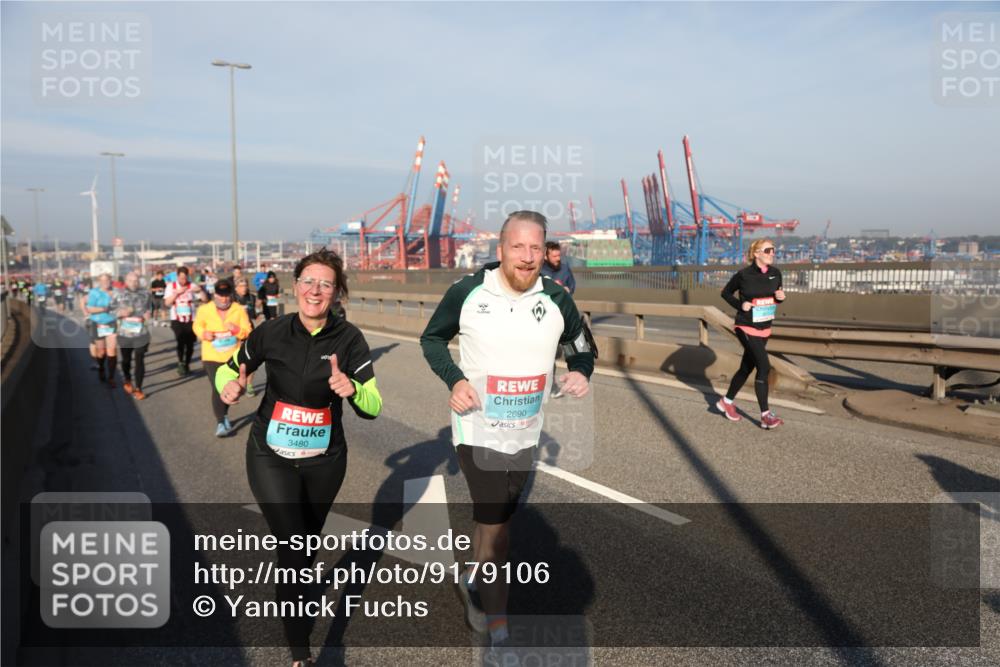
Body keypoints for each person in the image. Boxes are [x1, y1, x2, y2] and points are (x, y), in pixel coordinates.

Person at [419, 211, 595, 655]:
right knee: (499, 532)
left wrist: (580, 370)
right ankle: (498, 633)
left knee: (494, 518)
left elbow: (580, 344)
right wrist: (455, 380)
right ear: (500, 250)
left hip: (525, 432)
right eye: (518, 246)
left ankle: (472, 574)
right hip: (476, 429)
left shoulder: (556, 297)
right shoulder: (468, 292)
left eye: (536, 248)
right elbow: (432, 339)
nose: (528, 256)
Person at [217, 248, 381, 667]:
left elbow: (374, 405)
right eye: (309, 281)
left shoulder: (349, 339)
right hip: (269, 453)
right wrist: (229, 386)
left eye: (326, 284)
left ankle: (296, 592)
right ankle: (300, 652)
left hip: (325, 459)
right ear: (295, 286)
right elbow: (229, 368)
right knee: (292, 545)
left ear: (337, 292)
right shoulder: (271, 332)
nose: (315, 290)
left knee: (306, 545)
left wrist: (353, 390)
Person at [717, 237, 787, 429]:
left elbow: (775, 298)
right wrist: (741, 304)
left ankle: (726, 401)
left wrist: (780, 297)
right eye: (768, 250)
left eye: (773, 250)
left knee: (746, 367)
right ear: (756, 253)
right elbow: (725, 293)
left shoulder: (776, 273)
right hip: (746, 326)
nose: (772, 253)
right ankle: (765, 415)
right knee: (764, 366)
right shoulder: (743, 275)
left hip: (765, 327)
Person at [194, 278, 251, 436]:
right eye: (220, 295)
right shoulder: (205, 309)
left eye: (226, 295)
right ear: (215, 294)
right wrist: (203, 333)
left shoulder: (238, 310)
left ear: (231, 294)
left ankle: (224, 414)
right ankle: (220, 422)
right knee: (217, 387)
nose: (224, 298)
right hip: (211, 356)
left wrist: (236, 330)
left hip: (232, 357)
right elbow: (197, 325)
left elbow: (248, 331)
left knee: (228, 386)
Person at [113, 271, 153, 400]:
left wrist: (148, 314)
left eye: (136, 281)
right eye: (131, 281)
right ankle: (127, 379)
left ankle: (139, 388)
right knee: (126, 360)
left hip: (141, 333)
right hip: (124, 333)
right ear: (126, 281)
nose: (133, 283)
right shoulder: (118, 294)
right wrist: (120, 313)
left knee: (140, 359)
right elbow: (110, 310)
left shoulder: (145, 294)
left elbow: (150, 309)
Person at [163, 266, 206, 376]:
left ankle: (187, 363)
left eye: (185, 278)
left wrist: (200, 290)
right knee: (181, 340)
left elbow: (205, 300)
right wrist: (176, 293)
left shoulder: (192, 286)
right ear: (177, 277)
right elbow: (167, 303)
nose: (183, 280)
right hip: (176, 319)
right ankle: (181, 362)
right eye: (181, 278)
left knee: (190, 343)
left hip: (191, 318)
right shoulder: (171, 286)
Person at [85, 273, 119, 387]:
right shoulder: (94, 292)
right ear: (99, 282)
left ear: (111, 281)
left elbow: (122, 305)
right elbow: (89, 308)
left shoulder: (116, 292)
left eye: (107, 280)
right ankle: (101, 369)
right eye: (102, 281)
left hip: (111, 323)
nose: (105, 283)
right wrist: (104, 309)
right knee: (101, 352)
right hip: (97, 323)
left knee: (112, 350)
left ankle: (111, 377)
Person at [233, 278, 259, 396]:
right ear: (236, 287)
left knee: (252, 358)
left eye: (245, 285)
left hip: (249, 331)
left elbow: (254, 314)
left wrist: (257, 313)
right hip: (234, 332)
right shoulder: (231, 299)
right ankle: (234, 382)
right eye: (241, 286)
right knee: (235, 358)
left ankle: (249, 385)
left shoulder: (251, 297)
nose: (244, 288)